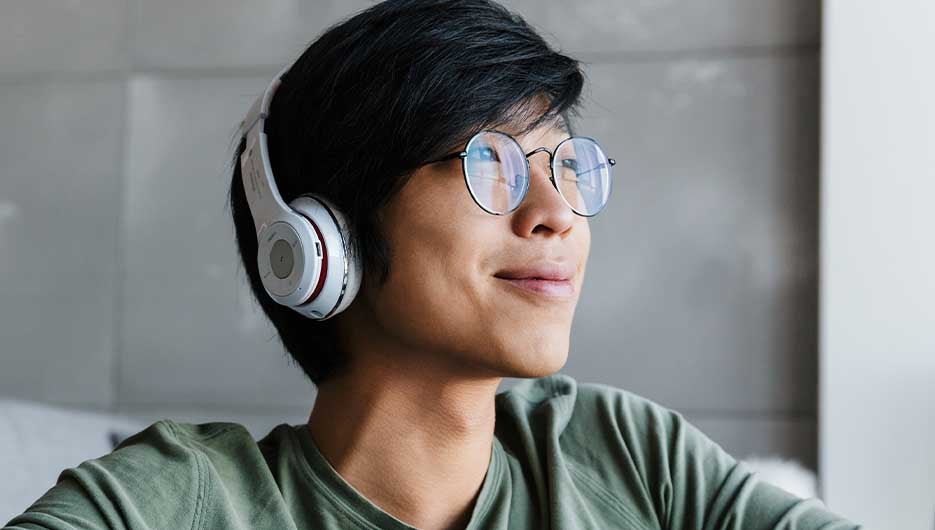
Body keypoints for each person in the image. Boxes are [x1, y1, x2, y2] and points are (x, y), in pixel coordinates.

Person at [4, 1, 862, 529]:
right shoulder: (178, 500)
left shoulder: (627, 456)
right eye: (490, 164)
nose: (555, 214)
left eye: (567, 167)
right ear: (320, 240)